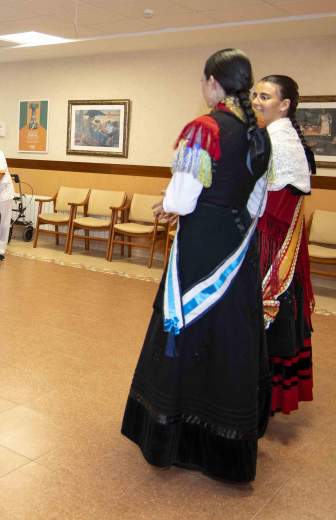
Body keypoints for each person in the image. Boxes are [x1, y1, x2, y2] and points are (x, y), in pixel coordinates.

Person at [121, 48, 272, 483]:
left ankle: (174, 434)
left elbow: (183, 198)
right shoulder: (258, 133)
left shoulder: (205, 129)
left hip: (201, 247)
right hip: (238, 247)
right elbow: (257, 202)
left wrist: (171, 205)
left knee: (184, 326)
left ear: (212, 82)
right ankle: (226, 443)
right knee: (229, 334)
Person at [252, 75, 315, 416]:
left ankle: (265, 394)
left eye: (265, 96)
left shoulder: (280, 142)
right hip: (273, 238)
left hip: (271, 246)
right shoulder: (279, 136)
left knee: (267, 313)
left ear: (285, 103)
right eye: (255, 95)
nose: (258, 101)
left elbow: (273, 206)